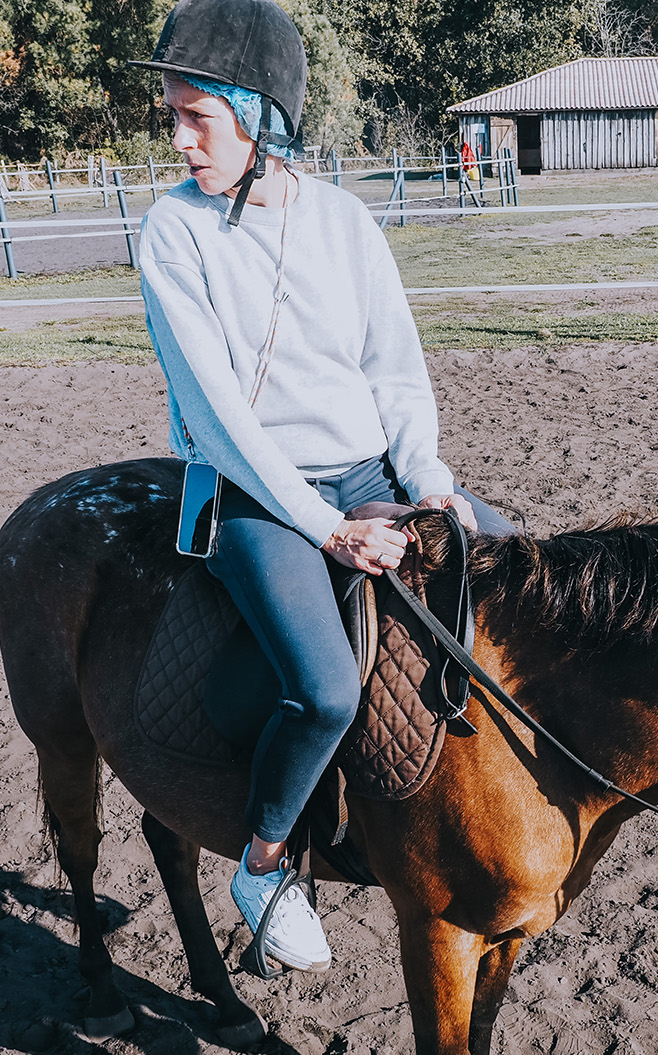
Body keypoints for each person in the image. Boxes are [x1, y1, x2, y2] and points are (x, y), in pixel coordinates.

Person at [130, 0, 509, 973]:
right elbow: (216, 415)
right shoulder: (172, 234)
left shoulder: (343, 224)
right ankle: (262, 864)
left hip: (371, 470)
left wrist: (428, 485)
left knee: (517, 580)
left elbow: (395, 371)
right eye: (172, 114)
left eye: (195, 116)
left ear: (262, 116)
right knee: (326, 688)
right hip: (258, 495)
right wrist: (327, 529)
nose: (177, 138)